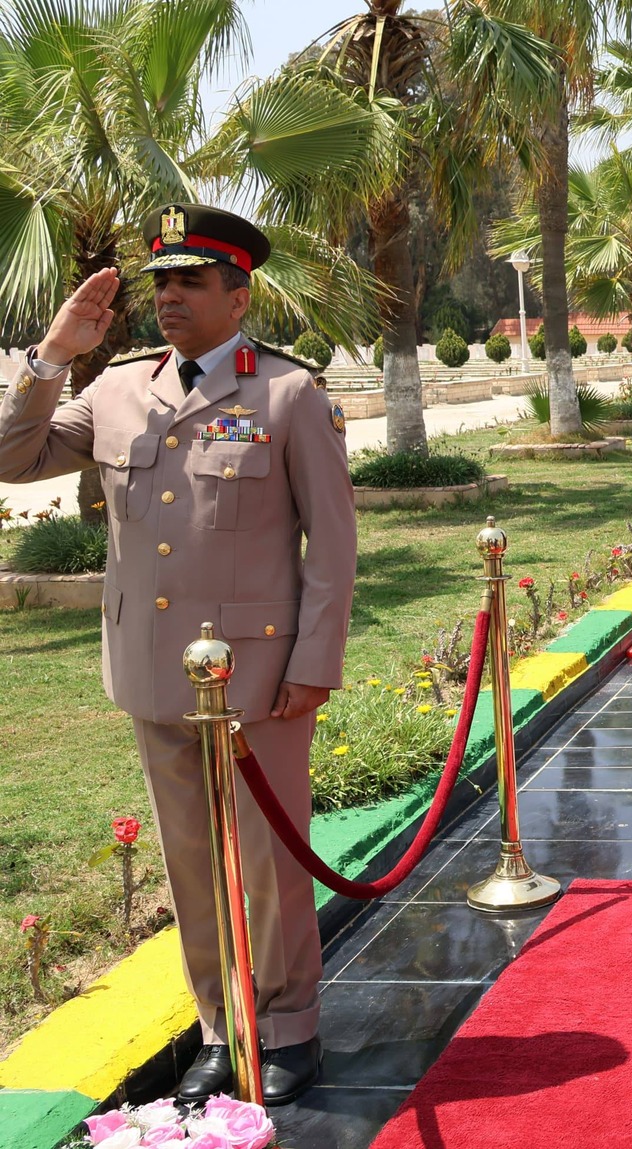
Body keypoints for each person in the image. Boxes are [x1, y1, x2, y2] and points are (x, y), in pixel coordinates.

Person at [0, 204, 356, 1105]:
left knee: (270, 863)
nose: (169, 296)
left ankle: (289, 1027)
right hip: (155, 673)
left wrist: (312, 664)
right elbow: (15, 457)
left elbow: (332, 544)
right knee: (191, 863)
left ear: (239, 298)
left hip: (259, 680)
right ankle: (220, 1026)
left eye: (191, 281)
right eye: (162, 281)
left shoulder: (287, 394)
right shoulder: (117, 388)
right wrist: (54, 354)